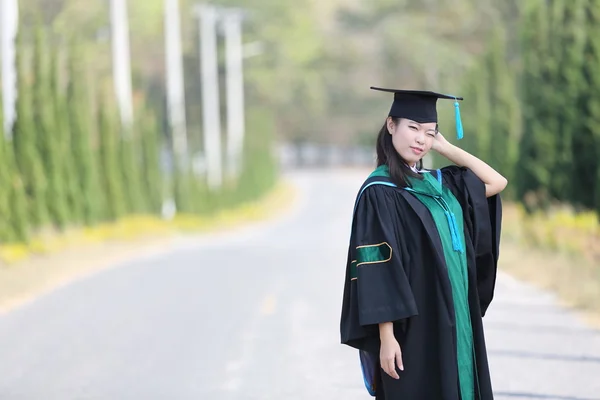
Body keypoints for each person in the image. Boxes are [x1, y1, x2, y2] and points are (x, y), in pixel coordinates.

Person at [339, 87, 507, 400]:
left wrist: (444, 147)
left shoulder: (441, 184)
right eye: (413, 128)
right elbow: (379, 266)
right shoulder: (379, 191)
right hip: (414, 325)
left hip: (456, 315)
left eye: (429, 133)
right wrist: (386, 337)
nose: (420, 140)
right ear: (391, 126)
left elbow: (496, 182)